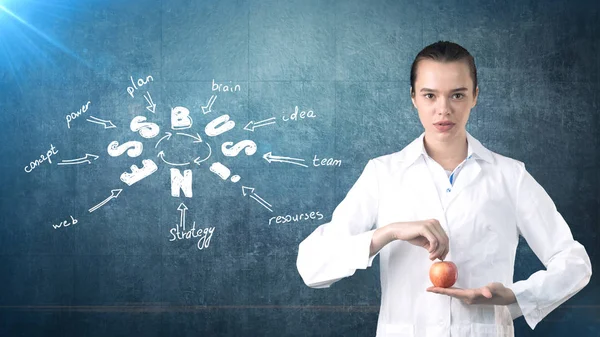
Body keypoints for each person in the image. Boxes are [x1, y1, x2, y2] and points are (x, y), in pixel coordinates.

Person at [296, 41, 592, 337]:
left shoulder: (510, 176)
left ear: (475, 96)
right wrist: (388, 232)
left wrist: (515, 296)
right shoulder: (382, 174)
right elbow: (312, 266)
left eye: (457, 95)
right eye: (430, 95)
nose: (443, 109)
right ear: (413, 97)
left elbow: (574, 262)